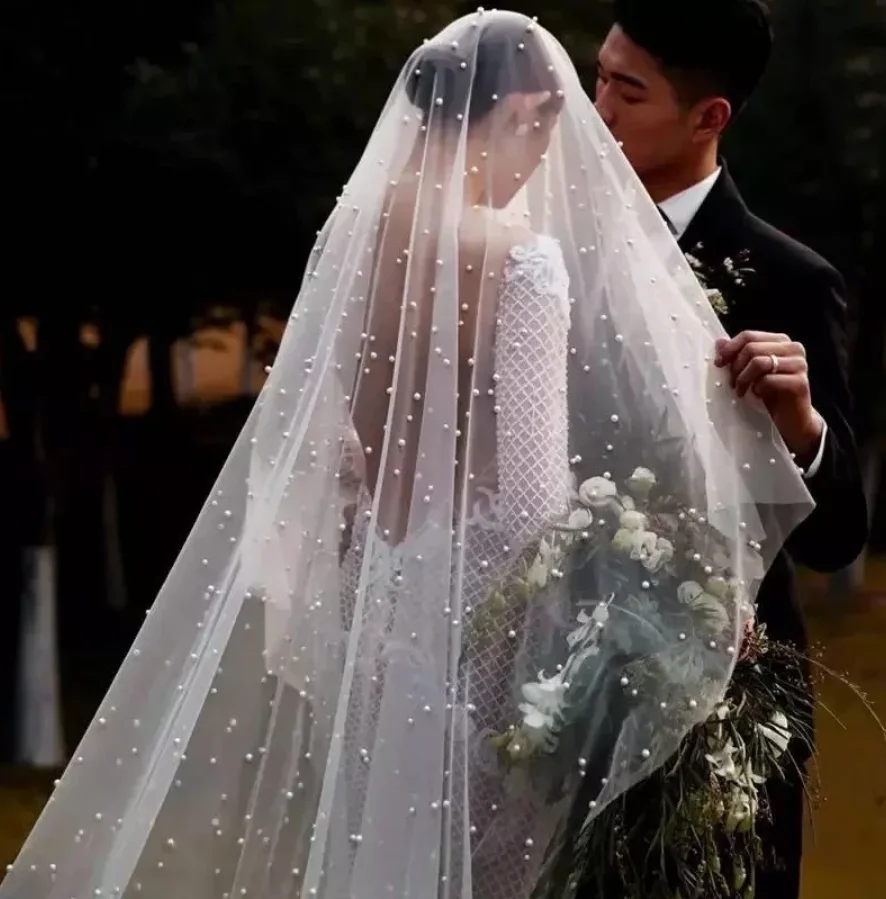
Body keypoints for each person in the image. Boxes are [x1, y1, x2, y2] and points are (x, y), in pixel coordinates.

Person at [1, 10, 814, 899]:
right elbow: (530, 507)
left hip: (381, 611)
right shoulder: (519, 260)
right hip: (485, 641)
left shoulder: (354, 237)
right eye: (551, 131)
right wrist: (612, 617)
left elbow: (334, 454)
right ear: (528, 113)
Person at [594, 1, 868, 895]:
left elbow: (836, 542)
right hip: (558, 705)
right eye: (598, 75)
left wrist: (803, 429)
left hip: (724, 714)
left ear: (710, 116)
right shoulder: (550, 255)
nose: (596, 109)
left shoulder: (789, 280)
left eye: (626, 93)